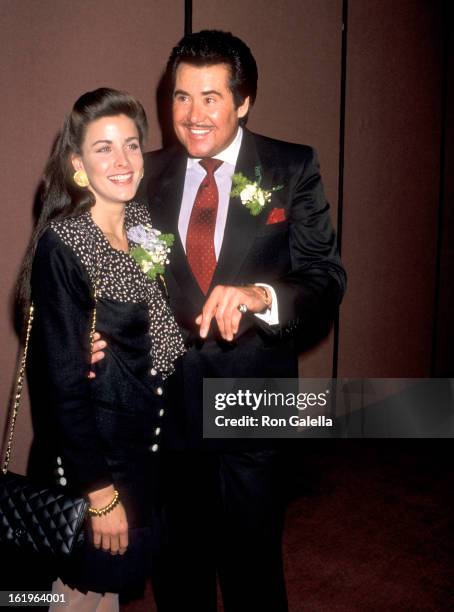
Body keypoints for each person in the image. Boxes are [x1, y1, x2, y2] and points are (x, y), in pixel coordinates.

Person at [92, 30, 346, 612]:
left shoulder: (291, 167)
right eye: (181, 97)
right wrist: (90, 329)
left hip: (255, 401)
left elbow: (325, 279)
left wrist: (260, 295)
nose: (193, 115)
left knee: (253, 563)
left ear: (244, 100)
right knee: (178, 567)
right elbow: (106, 277)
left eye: (210, 97)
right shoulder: (142, 176)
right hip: (168, 408)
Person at [17, 87, 184, 610]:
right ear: (77, 165)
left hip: (142, 453)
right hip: (99, 463)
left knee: (109, 592)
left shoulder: (143, 229)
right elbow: (65, 388)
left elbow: (164, 335)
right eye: (104, 148)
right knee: (79, 595)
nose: (123, 160)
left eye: (132, 145)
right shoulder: (64, 243)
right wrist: (98, 492)